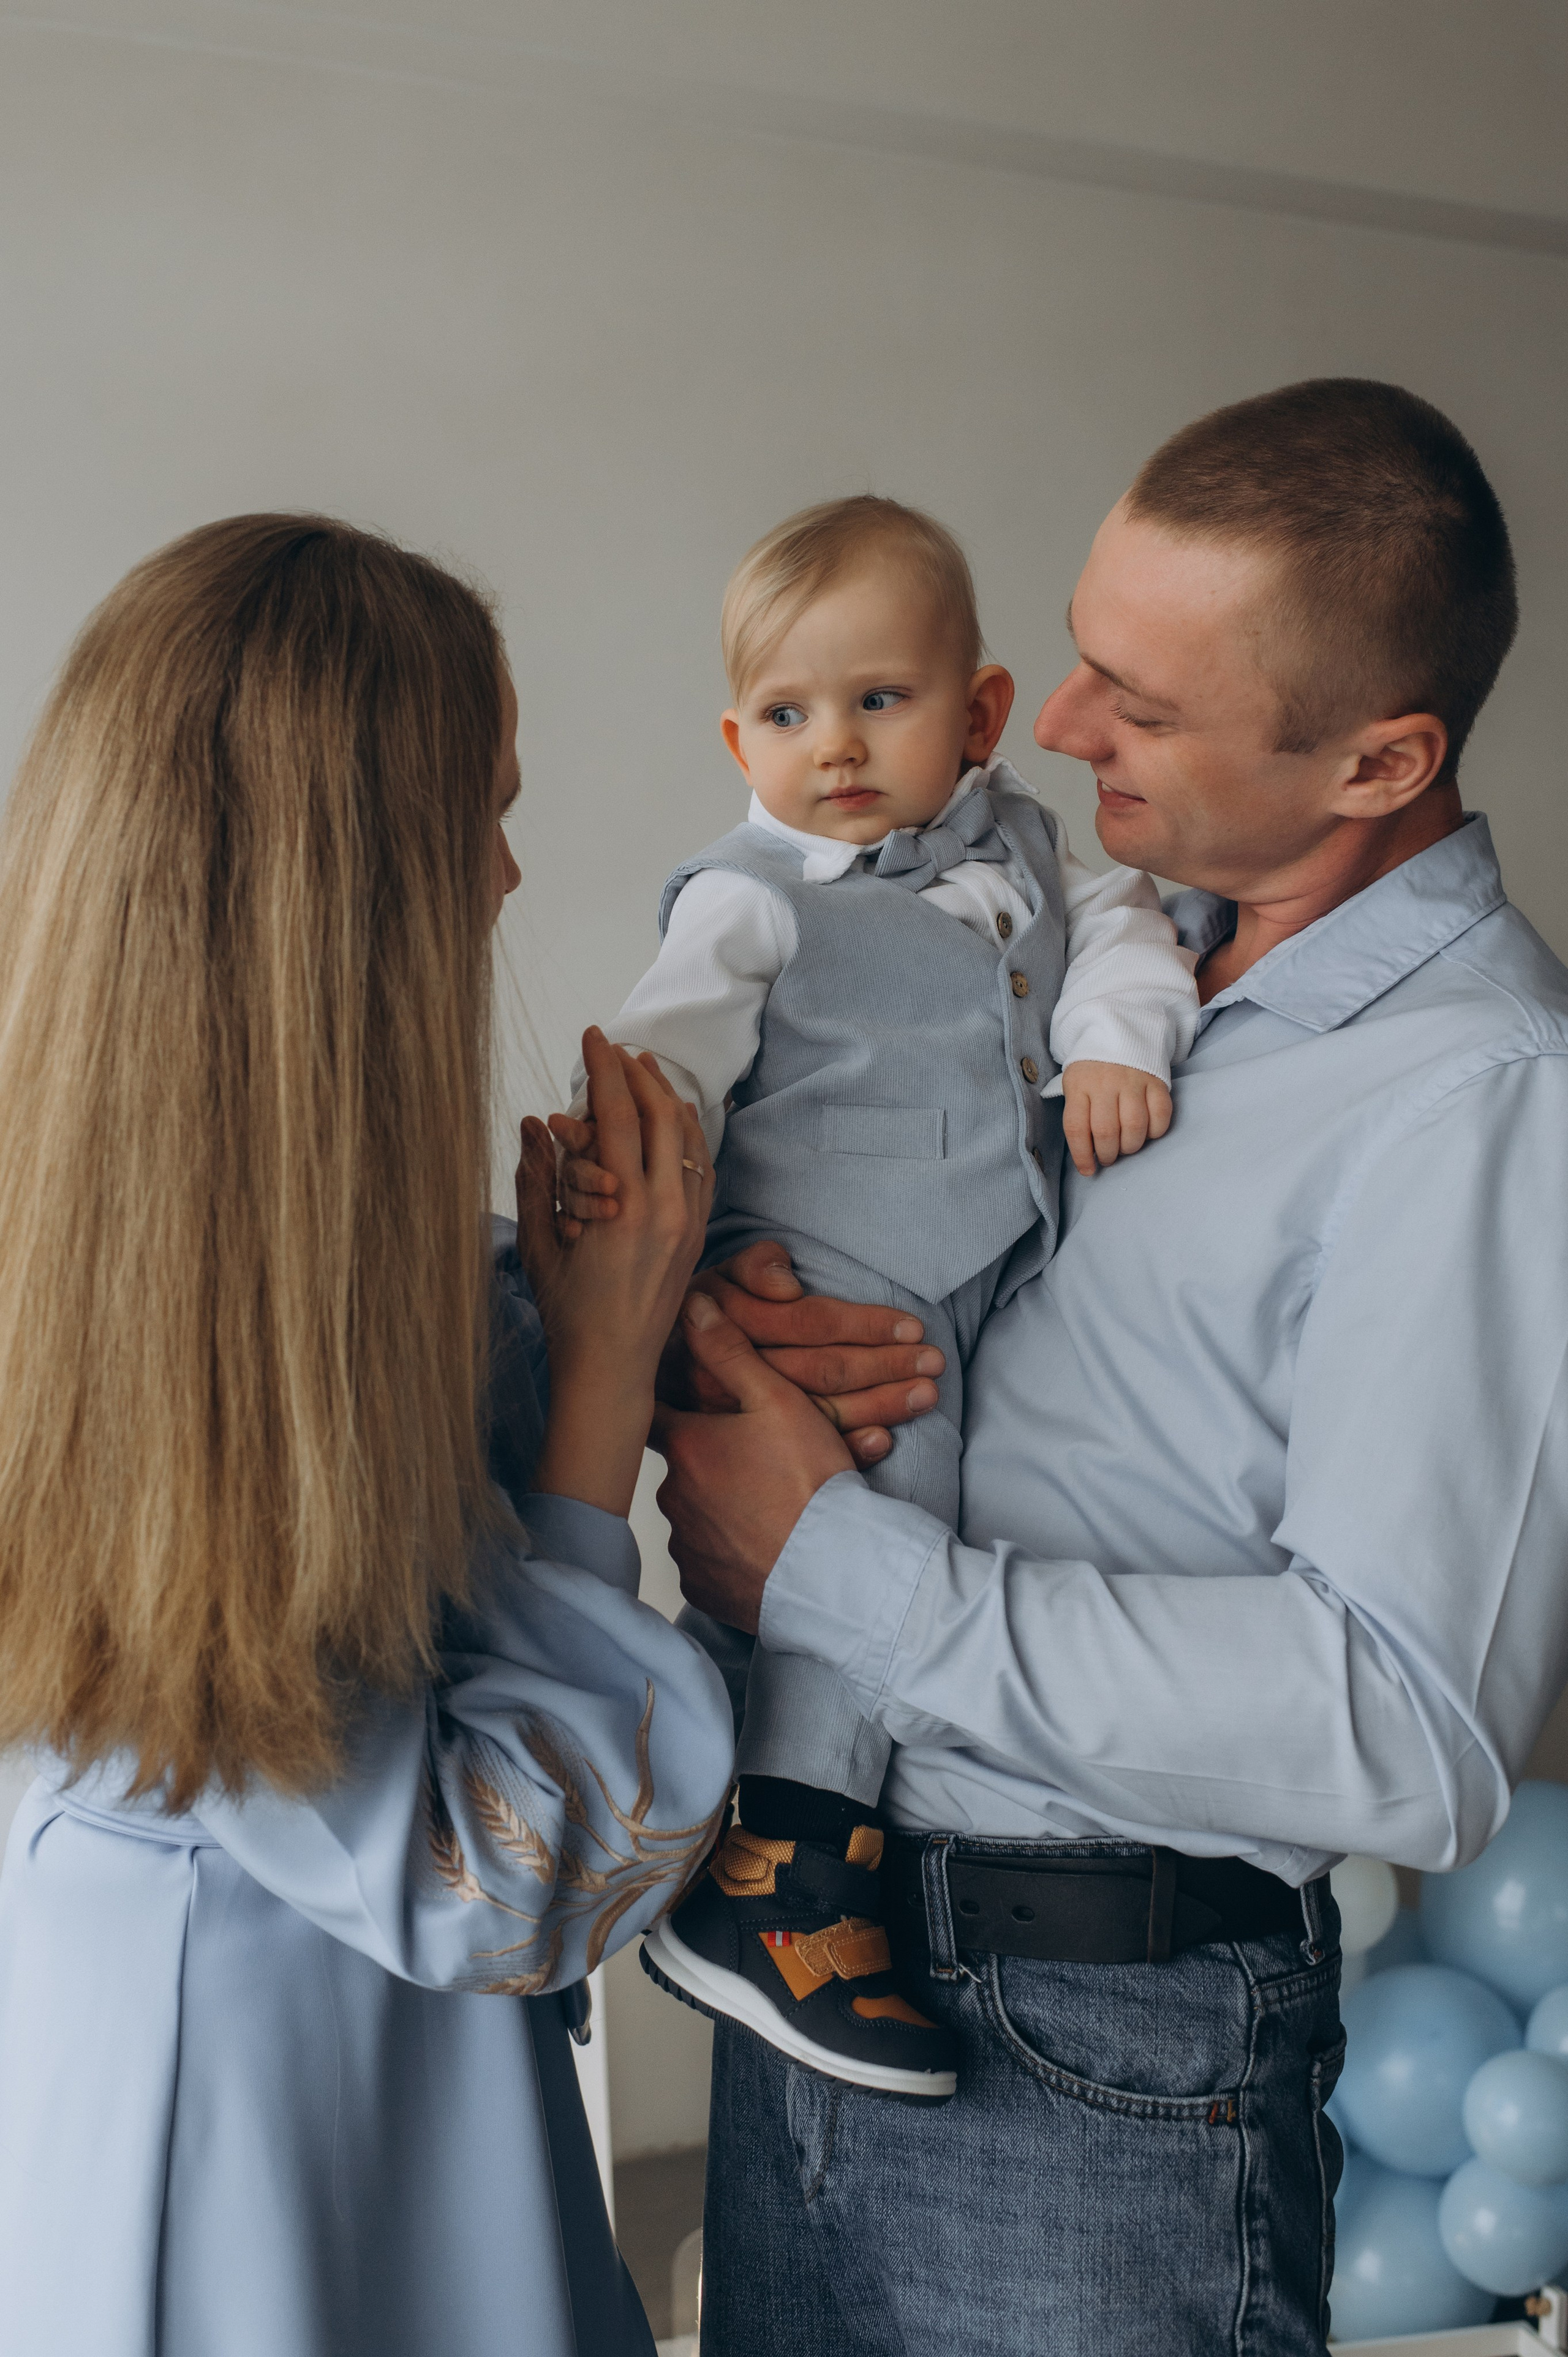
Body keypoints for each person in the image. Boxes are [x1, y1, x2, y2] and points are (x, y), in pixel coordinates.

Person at [649, 380, 1568, 2355]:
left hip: (1103, 2049)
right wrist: (769, 1333)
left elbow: (1411, 1728)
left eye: (1138, 707)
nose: (1049, 728)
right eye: (1080, 659)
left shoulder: (1484, 1100)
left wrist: (832, 1566)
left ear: (1380, 759)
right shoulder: (1095, 952)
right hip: (813, 1959)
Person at [0, 516, 734, 2357]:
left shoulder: (97, 1250)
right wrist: (598, 1396)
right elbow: (507, 1874)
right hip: (262, 2101)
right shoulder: (212, 1395)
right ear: (349, 893)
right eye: (478, 814)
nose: (505, 873)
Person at [557, 494, 1197, 2099]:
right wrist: (648, 1231)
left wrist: (1121, 1040)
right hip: (832, 1264)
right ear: (737, 740)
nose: (833, 746)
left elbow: (1129, 932)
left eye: (878, 701)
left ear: (980, 713)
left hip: (989, 1261)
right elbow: (669, 1064)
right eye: (788, 714)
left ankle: (791, 1812)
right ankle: (781, 1883)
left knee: (910, 1544)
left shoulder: (1036, 850)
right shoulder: (752, 896)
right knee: (860, 1524)